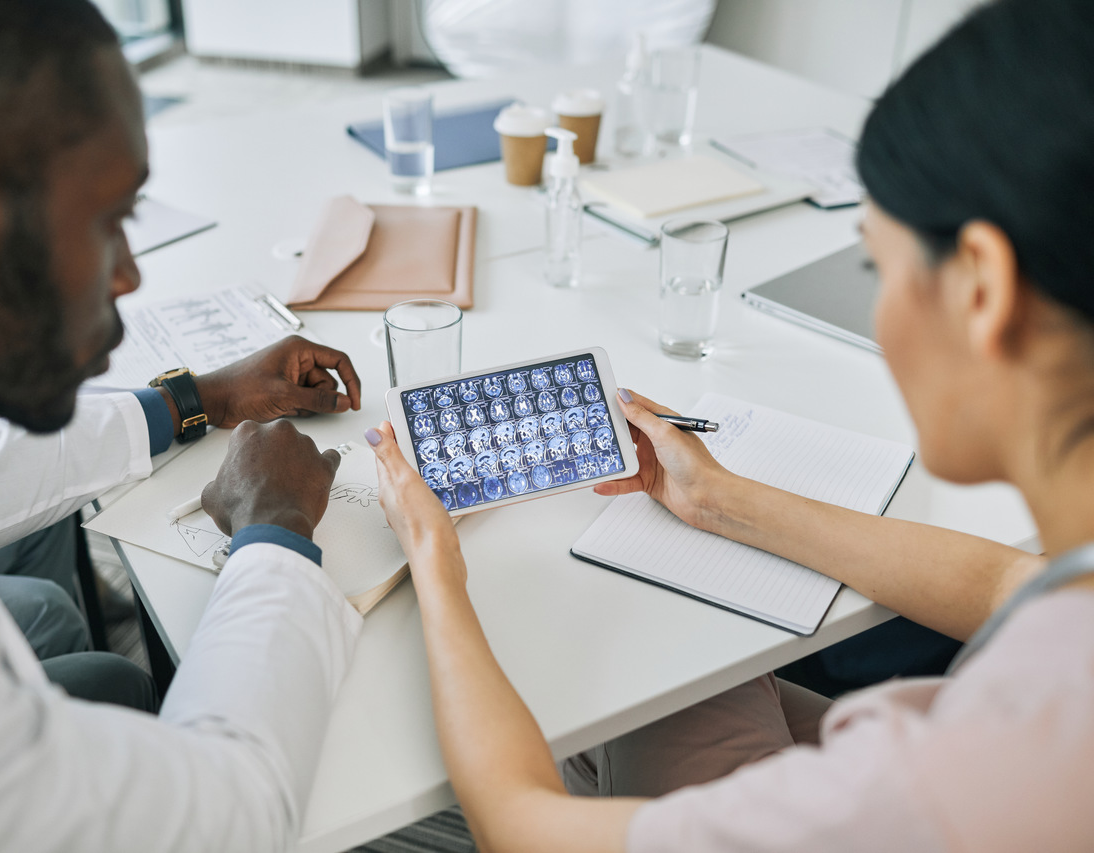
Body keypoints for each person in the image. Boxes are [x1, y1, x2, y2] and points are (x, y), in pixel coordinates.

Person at [364, 0, 1094, 848]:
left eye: (876, 267)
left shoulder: (968, 769)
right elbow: (1013, 584)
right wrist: (722, 499)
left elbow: (522, 830)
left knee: (640, 681)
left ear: (981, 288)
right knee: (664, 695)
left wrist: (434, 565)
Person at [0, 1, 368, 849]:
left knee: (86, 654)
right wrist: (276, 532)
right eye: (112, 221)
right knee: (106, 675)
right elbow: (237, 815)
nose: (128, 274)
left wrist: (200, 398)